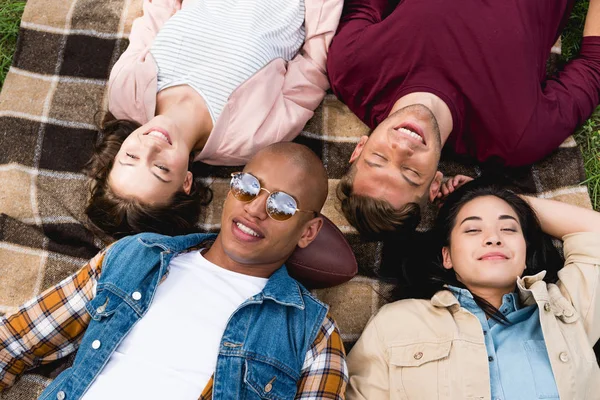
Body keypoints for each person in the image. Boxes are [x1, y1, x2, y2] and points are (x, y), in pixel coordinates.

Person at [0, 143, 348, 399]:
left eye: (283, 206)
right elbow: (13, 342)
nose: (255, 209)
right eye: (248, 187)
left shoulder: (312, 333)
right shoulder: (137, 256)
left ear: (308, 231)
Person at [328, 0, 600, 239]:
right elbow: (593, 64)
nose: (401, 149)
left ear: (359, 149)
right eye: (411, 173)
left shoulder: (352, 70)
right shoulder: (515, 137)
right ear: (435, 184)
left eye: (378, 159)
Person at [85, 0, 343, 237]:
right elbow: (313, 65)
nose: (151, 146)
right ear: (186, 181)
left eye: (130, 157)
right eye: (161, 168)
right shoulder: (250, 139)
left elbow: (156, 14)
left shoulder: (125, 92)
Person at [345, 180, 600, 399]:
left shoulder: (567, 310)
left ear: (525, 255)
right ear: (448, 257)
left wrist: (504, 198)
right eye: (473, 229)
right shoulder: (395, 322)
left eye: (509, 228)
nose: (493, 238)